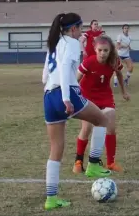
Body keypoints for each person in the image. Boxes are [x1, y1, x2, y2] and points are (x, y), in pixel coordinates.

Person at [42, 13, 112, 210]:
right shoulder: (71, 43)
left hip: (48, 95)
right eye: (80, 28)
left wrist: (50, 91)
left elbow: (45, 73)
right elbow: (65, 68)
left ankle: (51, 199)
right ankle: (94, 164)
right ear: (73, 29)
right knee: (102, 120)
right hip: (65, 93)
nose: (81, 32)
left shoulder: (54, 43)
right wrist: (65, 97)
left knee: (55, 149)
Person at [72, 35, 130, 174]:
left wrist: (124, 92)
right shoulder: (88, 62)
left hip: (105, 96)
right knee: (86, 128)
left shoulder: (114, 61)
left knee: (111, 127)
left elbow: (120, 75)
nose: (103, 53)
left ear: (110, 51)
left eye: (106, 50)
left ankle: (110, 162)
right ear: (95, 49)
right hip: (87, 96)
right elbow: (75, 80)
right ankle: (78, 161)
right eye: (100, 50)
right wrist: (74, 98)